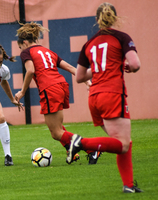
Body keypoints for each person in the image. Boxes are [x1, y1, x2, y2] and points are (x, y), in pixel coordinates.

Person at [66, 2, 143, 193]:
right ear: (114, 18)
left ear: (97, 20)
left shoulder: (89, 43)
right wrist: (124, 67)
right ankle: (80, 143)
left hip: (94, 97)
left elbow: (80, 77)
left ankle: (129, 186)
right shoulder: (121, 37)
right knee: (122, 144)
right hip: (112, 94)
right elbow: (135, 64)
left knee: (122, 143)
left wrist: (100, 69)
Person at [14, 22, 101, 164]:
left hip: (49, 88)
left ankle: (92, 148)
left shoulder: (26, 52)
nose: (20, 50)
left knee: (55, 133)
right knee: (59, 128)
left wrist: (22, 91)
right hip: (61, 85)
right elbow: (68, 66)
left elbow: (30, 71)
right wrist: (86, 81)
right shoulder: (47, 51)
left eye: (20, 47)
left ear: (24, 42)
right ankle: (72, 152)